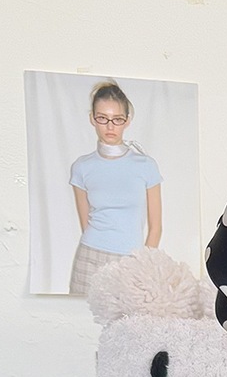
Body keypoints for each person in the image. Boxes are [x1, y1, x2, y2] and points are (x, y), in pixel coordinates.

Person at [68, 82, 162, 297]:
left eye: (117, 119)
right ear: (92, 119)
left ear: (127, 121)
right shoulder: (81, 167)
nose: (110, 126)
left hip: (130, 260)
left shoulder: (146, 165)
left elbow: (156, 227)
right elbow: (85, 223)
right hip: (89, 258)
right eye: (102, 118)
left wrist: (142, 265)